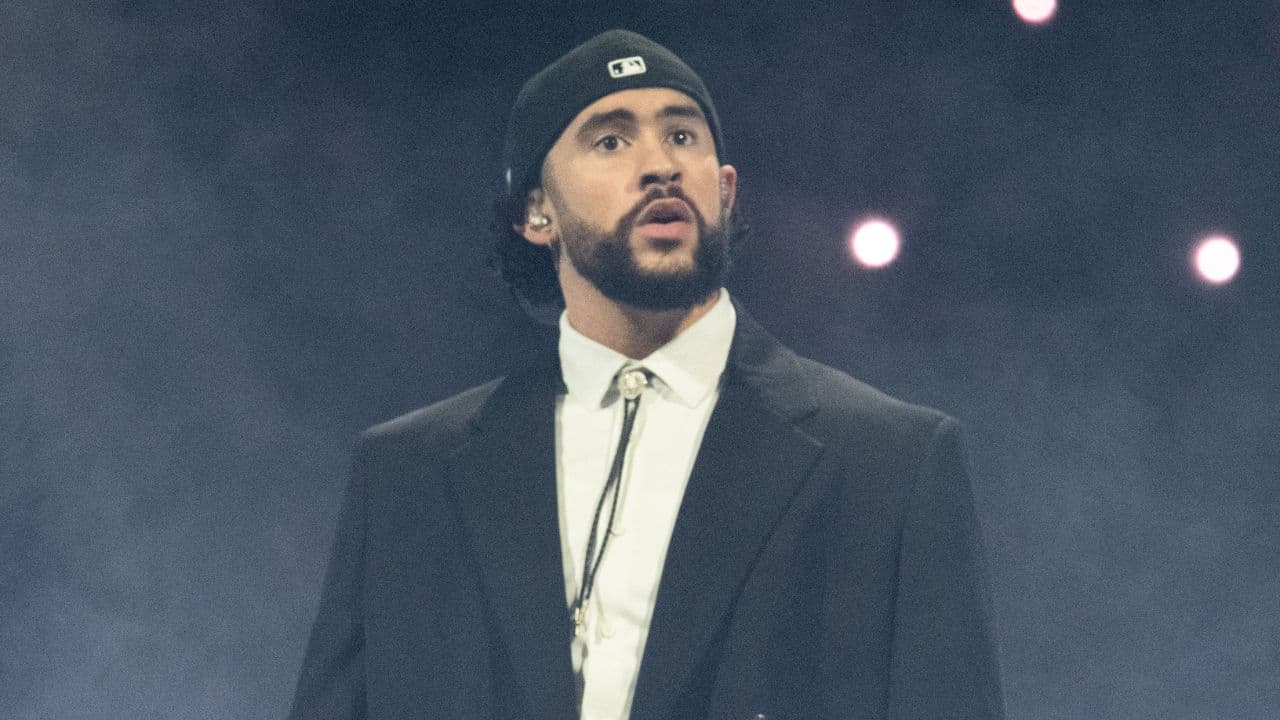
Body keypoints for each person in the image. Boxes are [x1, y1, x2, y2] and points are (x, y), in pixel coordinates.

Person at [288, 29, 1004, 720]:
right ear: (537, 212)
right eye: (610, 140)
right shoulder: (408, 471)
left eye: (683, 136)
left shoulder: (891, 461)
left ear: (724, 191)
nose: (660, 163)